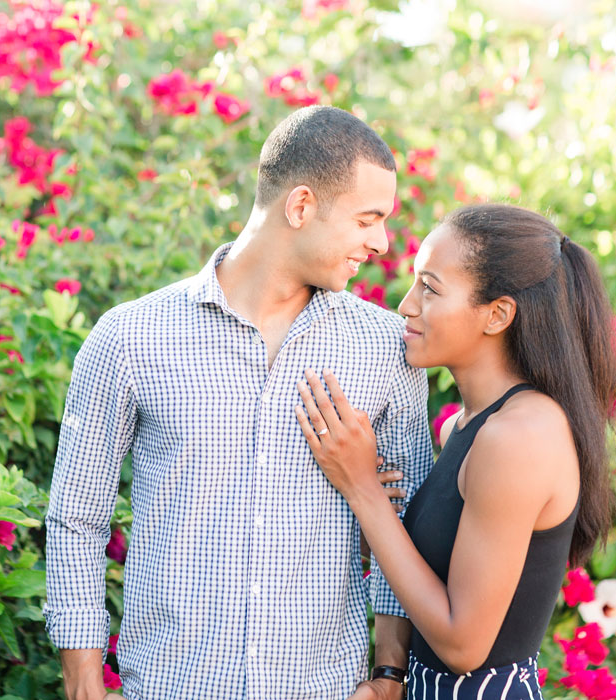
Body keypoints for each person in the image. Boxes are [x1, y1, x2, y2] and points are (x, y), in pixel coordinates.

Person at [44, 105, 434, 700]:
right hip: (170, 687)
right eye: (367, 219)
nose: (381, 243)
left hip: (327, 688)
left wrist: (388, 674)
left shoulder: (386, 349)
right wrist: (84, 684)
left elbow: (407, 519)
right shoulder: (130, 337)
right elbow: (77, 518)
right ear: (300, 207)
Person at [295, 203, 616, 698]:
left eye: (430, 288)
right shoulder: (463, 427)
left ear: (497, 315)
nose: (406, 305)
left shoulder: (519, 437)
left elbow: (462, 643)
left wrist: (362, 488)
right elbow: (430, 573)